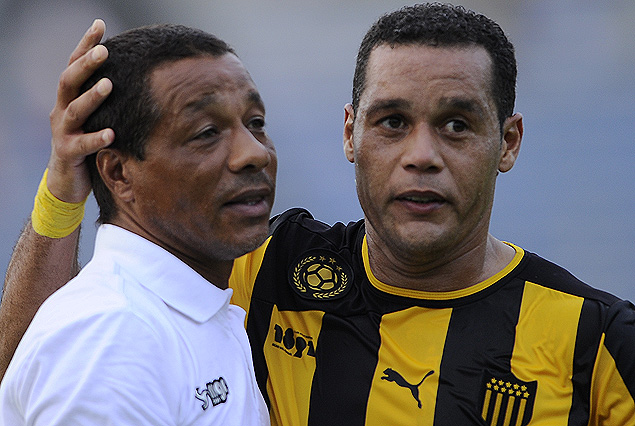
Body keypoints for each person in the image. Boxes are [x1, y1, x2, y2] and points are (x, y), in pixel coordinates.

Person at [2, 4, 635, 426]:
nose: (422, 156)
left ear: (510, 142)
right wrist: (65, 186)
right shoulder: (265, 270)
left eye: (457, 125)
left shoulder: (599, 338)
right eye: (392, 123)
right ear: (350, 135)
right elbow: (30, 360)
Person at [0, 22, 275, 425]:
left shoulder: (180, 312)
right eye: (206, 132)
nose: (254, 153)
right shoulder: (110, 336)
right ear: (119, 173)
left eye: (256, 123)